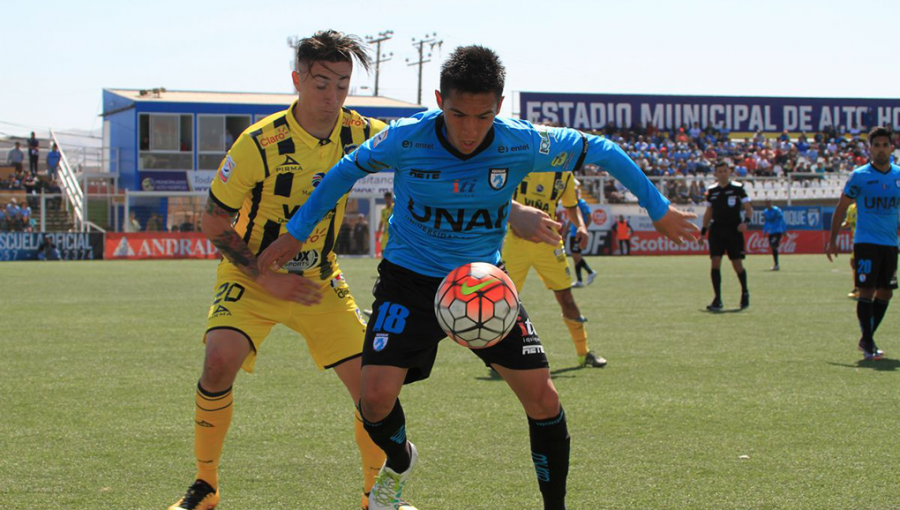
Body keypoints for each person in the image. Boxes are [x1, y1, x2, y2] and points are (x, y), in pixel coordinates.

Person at [259, 45, 697, 510]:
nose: (469, 129)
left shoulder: (521, 141)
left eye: (483, 116)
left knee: (544, 400)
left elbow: (603, 150)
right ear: (438, 100)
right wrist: (296, 232)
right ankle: (401, 458)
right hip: (409, 281)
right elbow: (346, 170)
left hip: (483, 285)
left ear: (500, 107)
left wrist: (659, 207)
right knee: (374, 401)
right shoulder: (407, 138)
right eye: (457, 114)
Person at [167, 30, 415, 510]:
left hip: (319, 281)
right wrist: (265, 276)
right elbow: (214, 220)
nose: (332, 96)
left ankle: (374, 496)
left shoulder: (361, 132)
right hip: (250, 276)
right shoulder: (257, 143)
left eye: (342, 84)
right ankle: (205, 485)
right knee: (218, 363)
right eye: (321, 83)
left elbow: (420, 142)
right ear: (297, 79)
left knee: (370, 389)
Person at [502, 172, 607, 368]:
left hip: (549, 243)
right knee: (504, 301)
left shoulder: (564, 174)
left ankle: (584, 354)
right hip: (516, 244)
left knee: (566, 298)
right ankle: (502, 358)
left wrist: (581, 226)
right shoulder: (521, 161)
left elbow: (571, 206)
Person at [826, 126, 900, 361]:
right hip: (866, 242)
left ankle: (866, 338)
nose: (880, 149)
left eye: (884, 145)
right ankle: (868, 344)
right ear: (870, 148)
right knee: (867, 290)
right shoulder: (859, 176)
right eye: (876, 145)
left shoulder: (898, 175)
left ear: (891, 147)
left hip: (890, 243)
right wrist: (832, 240)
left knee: (886, 293)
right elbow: (841, 207)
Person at [701, 160, 753, 311]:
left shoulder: (738, 189)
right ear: (715, 174)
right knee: (715, 262)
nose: (723, 174)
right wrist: (703, 232)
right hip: (716, 230)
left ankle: (744, 292)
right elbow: (708, 213)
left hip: (733, 230)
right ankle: (717, 299)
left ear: (729, 172)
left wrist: (746, 222)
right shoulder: (712, 191)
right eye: (720, 171)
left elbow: (749, 209)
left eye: (725, 171)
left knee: (737, 264)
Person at [568, 187, 596, 287]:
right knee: (575, 256)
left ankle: (590, 272)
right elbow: (570, 219)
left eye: (575, 192)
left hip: (578, 233)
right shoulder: (572, 204)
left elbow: (589, 218)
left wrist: (584, 229)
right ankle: (579, 280)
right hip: (572, 233)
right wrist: (565, 230)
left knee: (576, 255)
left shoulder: (582, 203)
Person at [762, 199, 786, 270]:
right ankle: (776, 264)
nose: (767, 204)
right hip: (771, 232)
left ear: (771, 202)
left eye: (768, 202)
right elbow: (766, 222)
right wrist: (764, 231)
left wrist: (784, 230)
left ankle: (776, 265)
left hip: (778, 231)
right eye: (766, 202)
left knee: (773, 245)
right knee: (773, 247)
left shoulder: (776, 210)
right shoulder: (766, 211)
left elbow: (782, 220)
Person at [841, 202, 858, 299]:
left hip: (865, 240)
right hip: (857, 241)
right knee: (854, 263)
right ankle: (858, 287)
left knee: (855, 263)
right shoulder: (851, 208)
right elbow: (847, 222)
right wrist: (841, 225)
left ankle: (862, 287)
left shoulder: (865, 206)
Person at [376, 191, 393, 257]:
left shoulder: (395, 208)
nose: (388, 200)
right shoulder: (383, 210)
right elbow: (381, 222)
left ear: (391, 199)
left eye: (389, 198)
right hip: (385, 233)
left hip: (394, 233)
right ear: (385, 199)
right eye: (386, 198)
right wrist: (378, 234)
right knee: (383, 250)